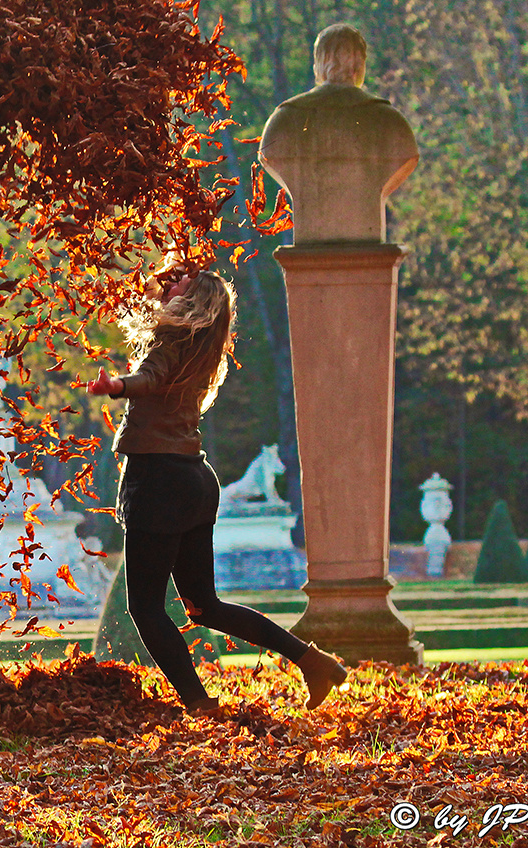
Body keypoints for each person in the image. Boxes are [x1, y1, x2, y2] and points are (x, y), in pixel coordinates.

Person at [86, 261, 348, 717]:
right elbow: (160, 328)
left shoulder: (171, 342)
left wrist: (118, 385)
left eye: (179, 282)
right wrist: (169, 278)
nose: (168, 284)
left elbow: (152, 377)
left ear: (193, 300)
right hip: (194, 479)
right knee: (205, 606)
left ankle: (199, 704)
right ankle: (312, 661)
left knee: (145, 608)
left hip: (160, 481)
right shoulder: (203, 347)